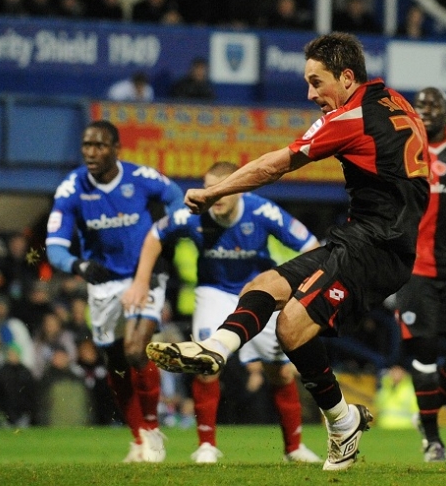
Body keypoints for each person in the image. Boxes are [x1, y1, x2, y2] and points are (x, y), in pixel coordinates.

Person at [144, 32, 430, 471]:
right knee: (263, 285)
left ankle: (341, 421)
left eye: (317, 82)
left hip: (378, 247)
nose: (310, 94)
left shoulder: (348, 118)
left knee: (291, 327)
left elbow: (273, 165)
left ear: (347, 77)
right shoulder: (394, 101)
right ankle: (217, 347)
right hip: (361, 237)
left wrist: (214, 191)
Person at [122, 161, 322, 463]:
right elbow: (155, 235)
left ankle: (293, 448)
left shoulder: (262, 211)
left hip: (259, 293)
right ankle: (206, 446)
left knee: (280, 372)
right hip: (213, 292)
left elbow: (311, 246)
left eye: (222, 191)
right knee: (206, 364)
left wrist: (303, 292)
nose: (214, 198)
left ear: (238, 189)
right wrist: (140, 280)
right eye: (209, 190)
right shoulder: (194, 212)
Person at [45, 119, 185, 462]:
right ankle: (138, 438)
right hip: (104, 283)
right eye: (87, 146)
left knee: (137, 350)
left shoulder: (141, 178)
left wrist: (165, 236)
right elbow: (55, 246)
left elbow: (176, 198)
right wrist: (78, 266)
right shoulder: (72, 188)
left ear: (116, 149)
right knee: (117, 365)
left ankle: (153, 431)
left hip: (145, 275)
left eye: (99, 145)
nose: (91, 153)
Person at [394, 87, 446, 462]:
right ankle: (433, 440)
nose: (427, 111)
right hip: (416, 271)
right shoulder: (402, 152)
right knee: (426, 354)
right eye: (421, 106)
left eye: (435, 105)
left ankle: (429, 409)